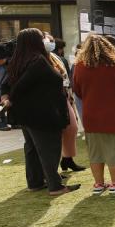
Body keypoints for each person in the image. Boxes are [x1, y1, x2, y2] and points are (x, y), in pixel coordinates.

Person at [0, 28, 80, 196]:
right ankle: (55, 186)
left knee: (32, 149)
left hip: (25, 114)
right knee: (48, 149)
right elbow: (21, 85)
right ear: (36, 42)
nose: (46, 41)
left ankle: (35, 182)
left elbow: (7, 86)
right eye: (42, 38)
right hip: (41, 114)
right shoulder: (38, 61)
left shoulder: (17, 61)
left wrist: (7, 98)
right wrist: (10, 98)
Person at [72, 34, 115, 195]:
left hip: (91, 116)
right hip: (113, 115)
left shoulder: (79, 66)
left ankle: (99, 184)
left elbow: (77, 90)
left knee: (95, 152)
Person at [43, 31, 84, 173]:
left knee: (71, 128)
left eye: (52, 40)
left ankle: (68, 159)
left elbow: (66, 76)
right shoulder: (38, 59)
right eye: (48, 39)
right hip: (51, 100)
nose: (51, 42)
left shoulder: (56, 57)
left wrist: (69, 94)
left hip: (64, 96)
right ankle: (53, 170)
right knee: (56, 134)